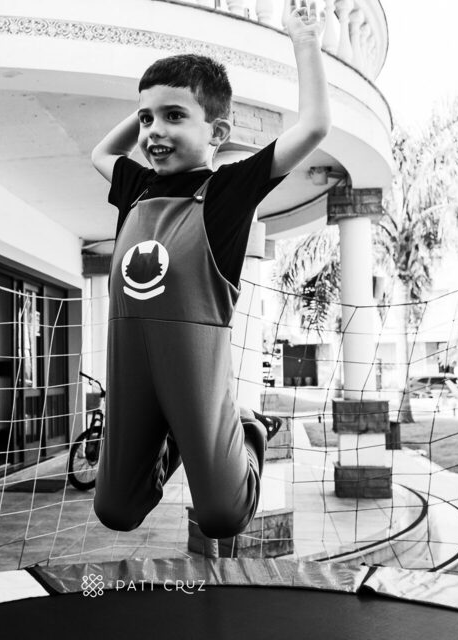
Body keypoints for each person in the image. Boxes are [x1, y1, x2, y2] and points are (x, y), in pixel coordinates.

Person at [90, 0, 330, 539]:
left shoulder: (227, 193)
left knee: (223, 516)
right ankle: (173, 438)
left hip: (195, 371)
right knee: (116, 511)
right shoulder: (135, 187)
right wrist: (154, 98)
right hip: (130, 367)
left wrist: (305, 41)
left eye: (175, 116)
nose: (154, 131)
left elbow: (314, 126)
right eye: (146, 119)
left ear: (217, 131)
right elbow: (101, 153)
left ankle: (249, 428)